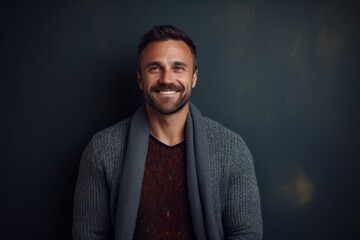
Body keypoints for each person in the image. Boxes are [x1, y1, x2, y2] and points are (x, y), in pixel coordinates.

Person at [73, 25, 263, 240]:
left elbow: (246, 234)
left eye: (178, 68)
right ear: (140, 80)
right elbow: (88, 234)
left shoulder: (231, 148)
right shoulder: (102, 148)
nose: (166, 78)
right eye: (155, 68)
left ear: (193, 78)